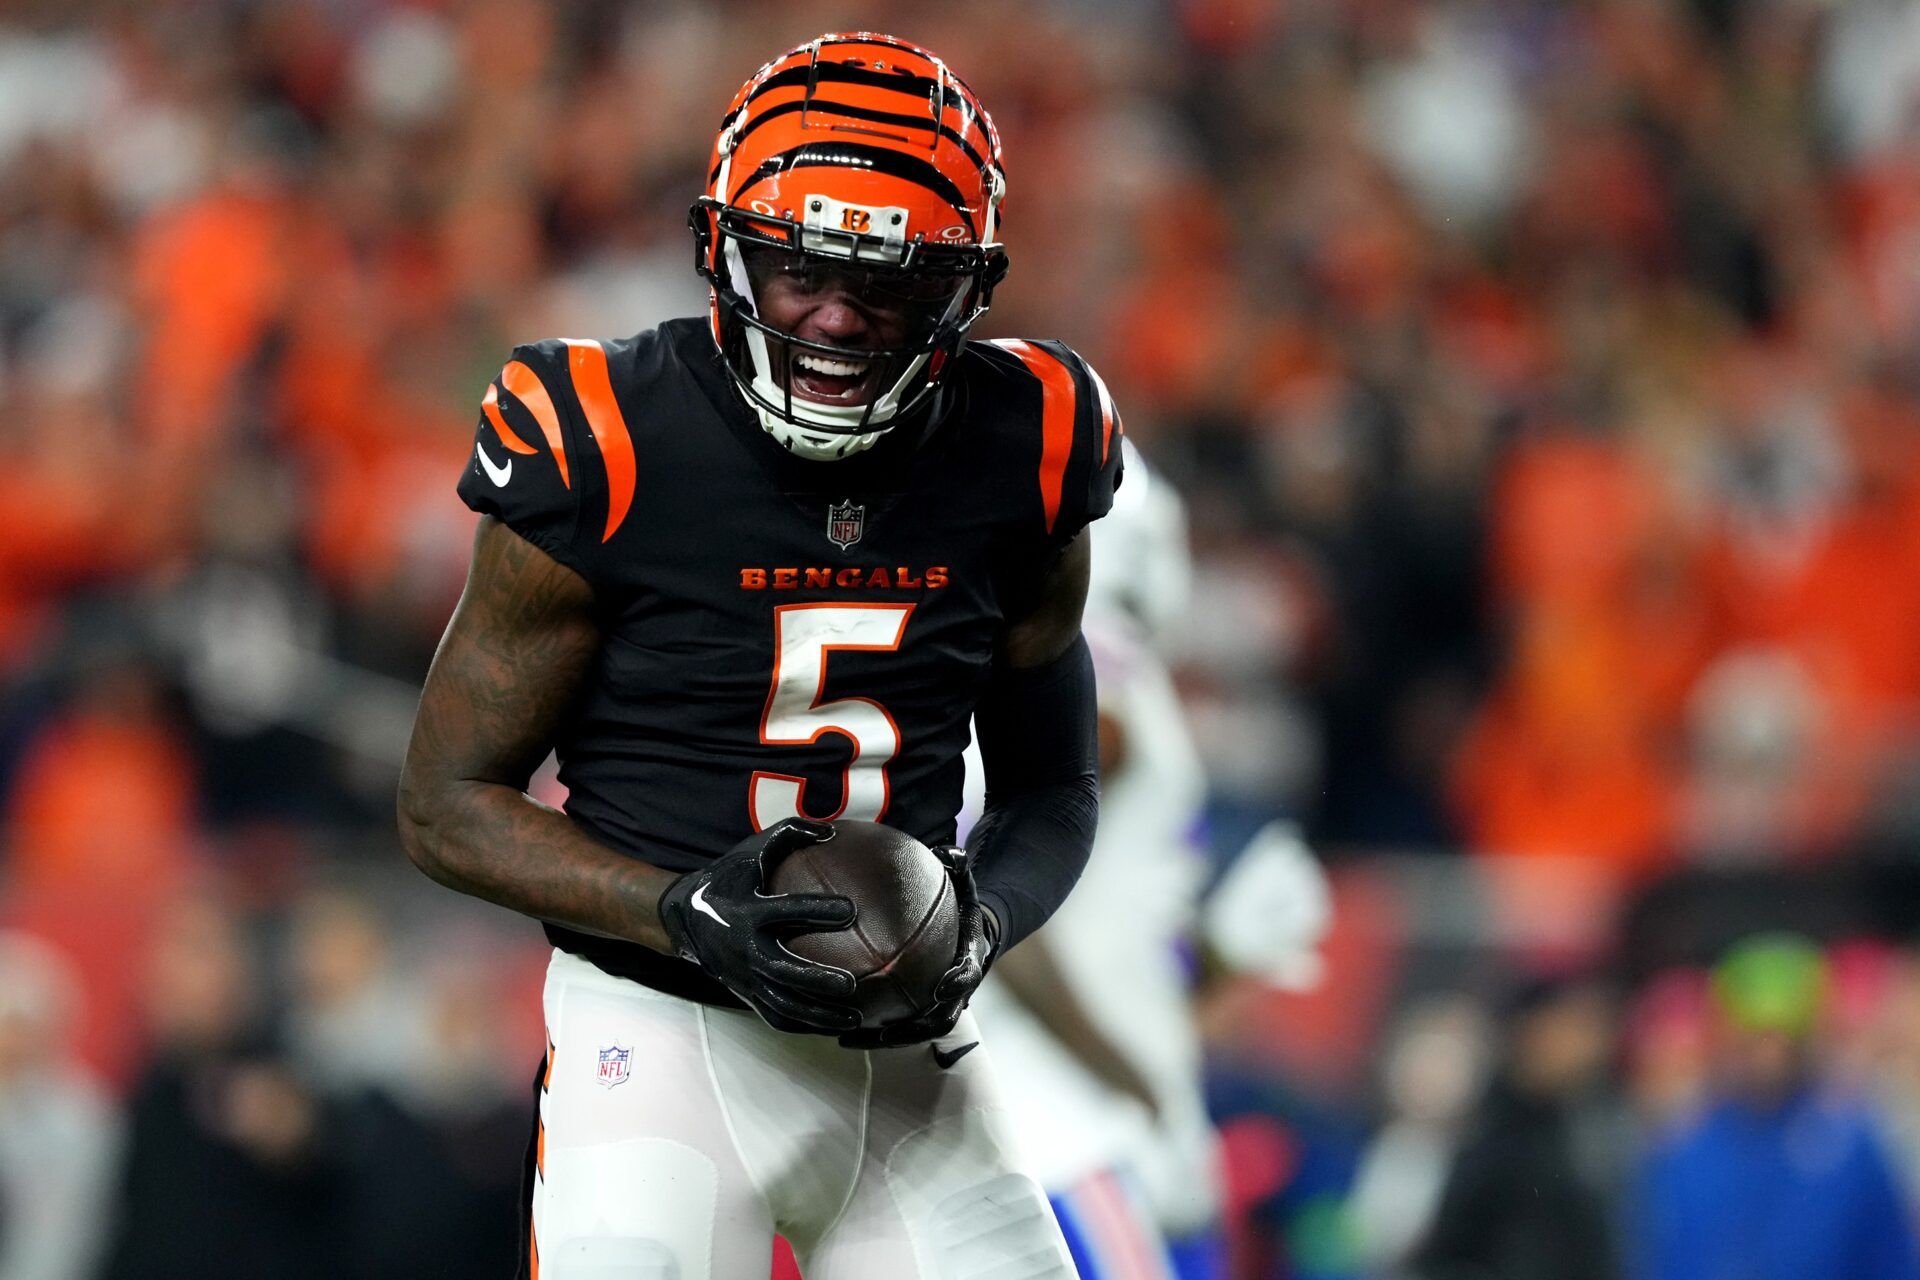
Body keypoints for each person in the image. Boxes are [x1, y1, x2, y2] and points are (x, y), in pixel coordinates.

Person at [397, 33, 1122, 1280]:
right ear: (726, 252)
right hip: (657, 1031)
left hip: (906, 1061)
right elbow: (444, 804)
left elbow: (1055, 784)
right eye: (798, 270)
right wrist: (678, 910)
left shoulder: (1030, 443)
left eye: (887, 285)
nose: (836, 317)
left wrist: (978, 922)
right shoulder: (608, 438)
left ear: (962, 292)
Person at [1633, 934, 1920, 1280]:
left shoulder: (1848, 1144)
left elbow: (1891, 1260)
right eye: (1752, 1042)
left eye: (1784, 1043)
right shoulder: (1684, 1149)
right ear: (1725, 1040)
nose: (1768, 1059)